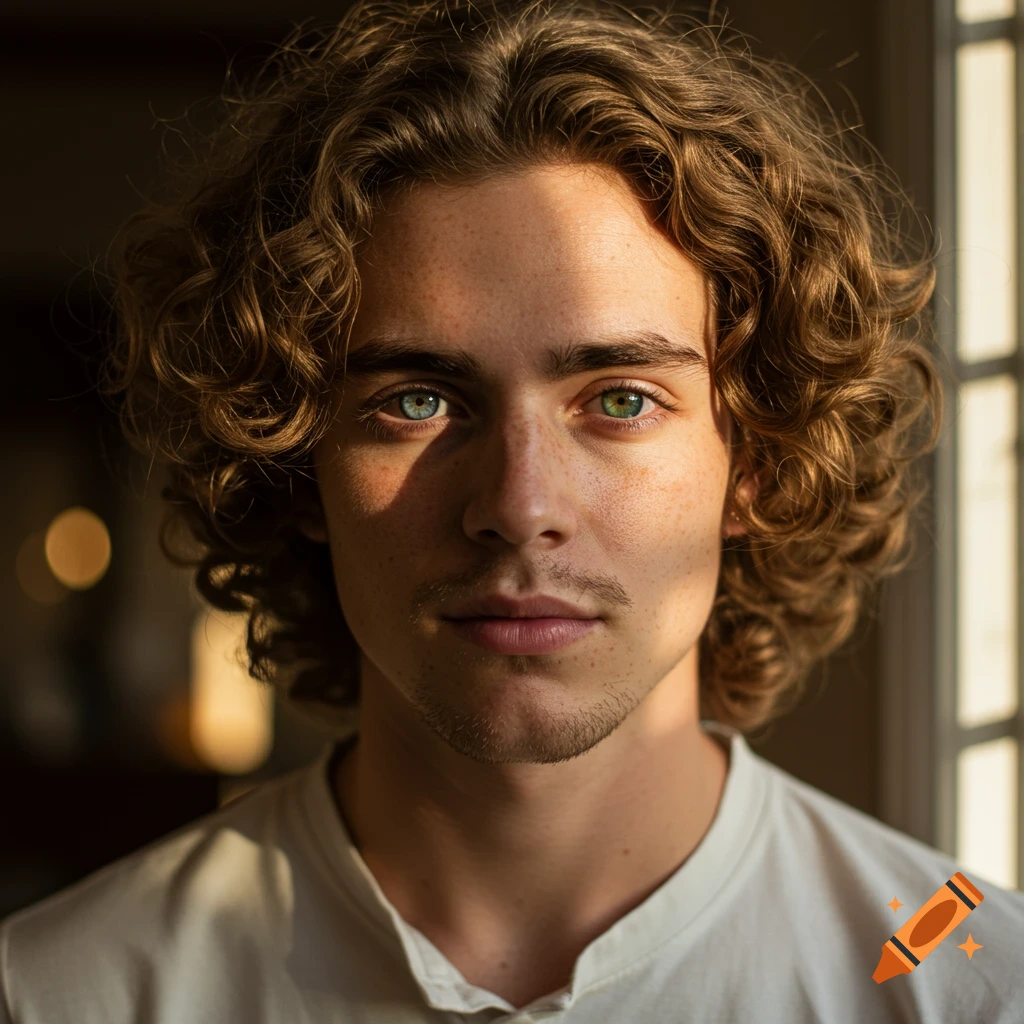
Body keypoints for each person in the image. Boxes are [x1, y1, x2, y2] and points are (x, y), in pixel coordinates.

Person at [2, 0, 1022, 1021]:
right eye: (417, 401)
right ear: (295, 458)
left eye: (620, 400)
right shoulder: (61, 993)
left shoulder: (976, 985)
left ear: (756, 457)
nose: (518, 505)